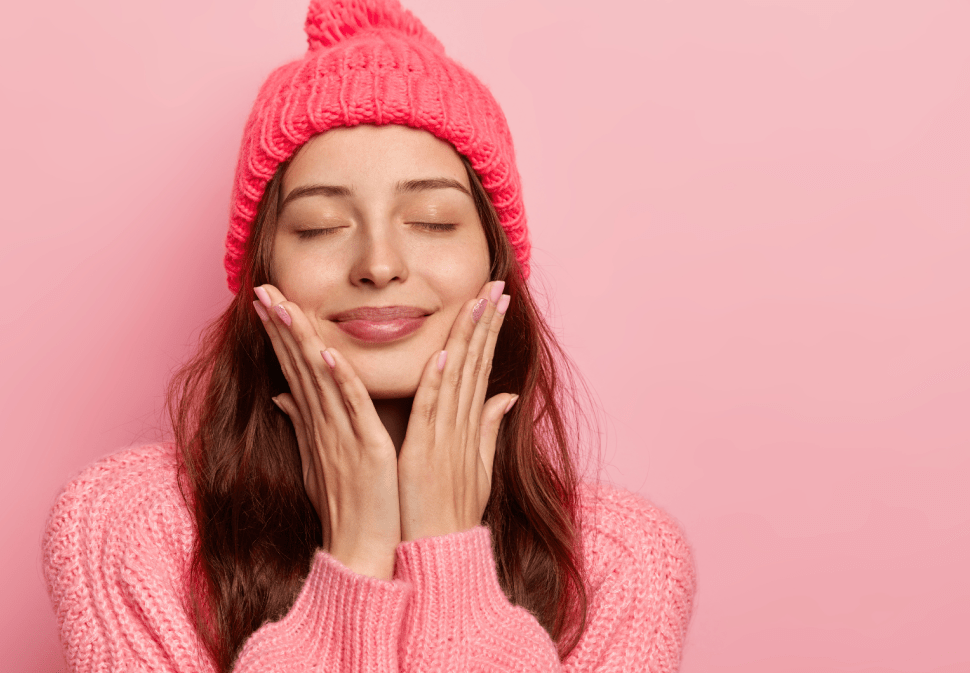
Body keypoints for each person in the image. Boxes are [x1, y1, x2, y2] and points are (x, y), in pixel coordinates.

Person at [42, 1, 695, 671]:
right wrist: (352, 560)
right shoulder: (132, 525)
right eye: (319, 226)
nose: (379, 264)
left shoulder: (621, 560)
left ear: (494, 266)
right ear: (262, 271)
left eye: (434, 220)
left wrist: (449, 561)